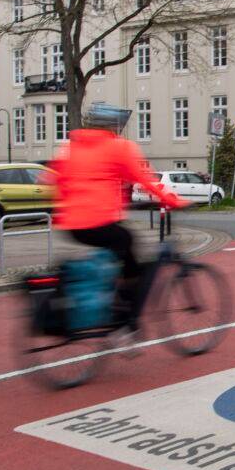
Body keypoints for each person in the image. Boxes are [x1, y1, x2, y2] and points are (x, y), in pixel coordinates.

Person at [49, 103, 187, 337]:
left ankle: (108, 301)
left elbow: (54, 179)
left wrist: (63, 209)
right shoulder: (118, 147)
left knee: (115, 253)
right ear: (114, 126)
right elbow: (143, 178)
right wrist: (171, 200)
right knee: (129, 248)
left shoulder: (71, 147)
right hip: (99, 220)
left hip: (72, 225)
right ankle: (127, 320)